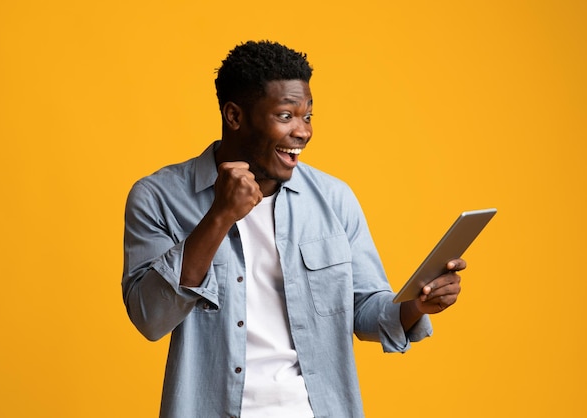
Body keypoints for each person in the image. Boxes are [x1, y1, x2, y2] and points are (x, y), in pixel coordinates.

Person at [122, 40, 464, 418]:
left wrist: (415, 306)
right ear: (234, 116)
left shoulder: (333, 199)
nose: (303, 132)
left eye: (308, 116)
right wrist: (219, 216)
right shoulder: (158, 197)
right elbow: (149, 317)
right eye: (286, 116)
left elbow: (365, 311)